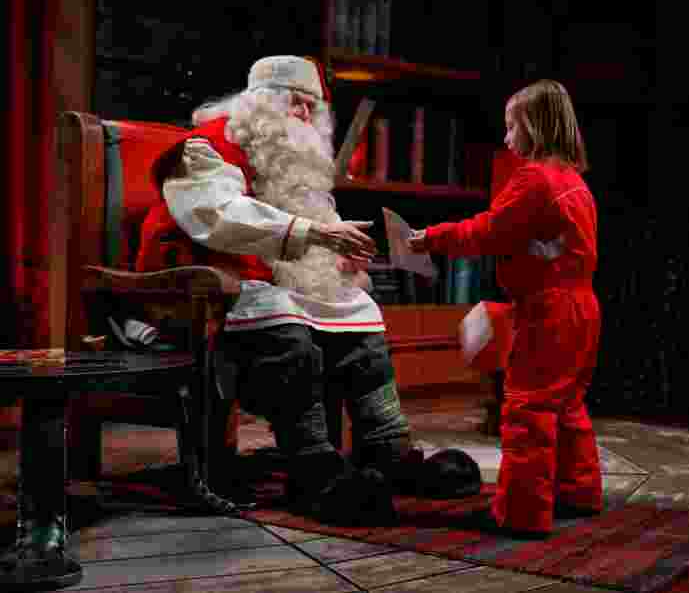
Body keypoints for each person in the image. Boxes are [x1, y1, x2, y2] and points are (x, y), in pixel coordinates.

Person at [136, 55, 479, 525]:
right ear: (256, 104)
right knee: (283, 318)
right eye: (291, 103)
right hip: (195, 286)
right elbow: (217, 217)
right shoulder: (205, 149)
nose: (301, 115)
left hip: (261, 284)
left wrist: (341, 256)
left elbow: (314, 232)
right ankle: (312, 465)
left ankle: (388, 451)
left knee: (356, 304)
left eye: (310, 107)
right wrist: (315, 234)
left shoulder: (293, 167)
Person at [408, 79, 603, 538]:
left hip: (549, 309)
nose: (507, 137)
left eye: (512, 126)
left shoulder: (534, 178)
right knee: (568, 403)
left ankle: (520, 513)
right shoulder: (575, 182)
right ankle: (578, 491)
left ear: (533, 126)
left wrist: (431, 238)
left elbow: (489, 232)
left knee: (527, 410)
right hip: (583, 307)